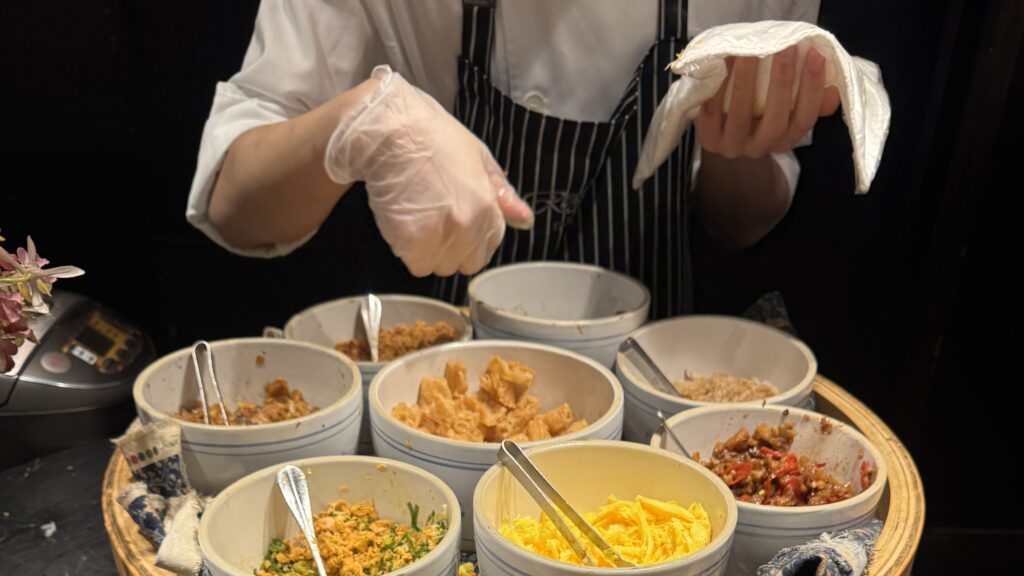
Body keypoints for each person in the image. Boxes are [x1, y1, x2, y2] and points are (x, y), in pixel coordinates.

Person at [187, 0, 838, 318]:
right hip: (437, 396)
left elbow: (743, 222)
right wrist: (361, 121)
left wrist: (736, 150)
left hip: (658, 398)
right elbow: (233, 204)